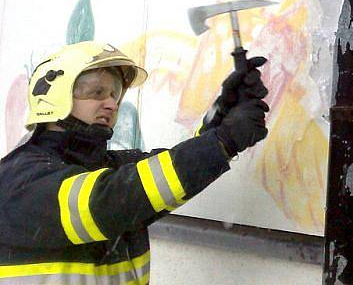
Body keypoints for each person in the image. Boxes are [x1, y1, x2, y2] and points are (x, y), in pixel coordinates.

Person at [0, 41, 269, 283]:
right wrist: (222, 141)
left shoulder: (108, 169)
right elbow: (110, 200)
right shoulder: (19, 180)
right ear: (54, 98)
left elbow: (164, 177)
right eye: (97, 92)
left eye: (115, 93)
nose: (111, 103)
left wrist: (220, 119)